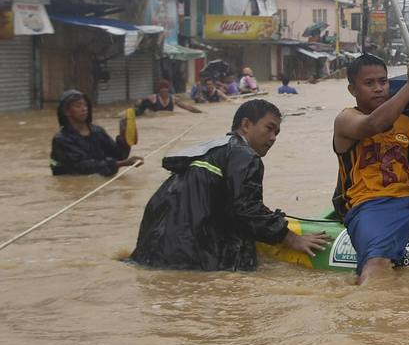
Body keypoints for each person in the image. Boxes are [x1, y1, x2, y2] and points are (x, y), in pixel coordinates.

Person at [130, 99, 328, 270]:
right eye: (269, 128)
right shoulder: (245, 155)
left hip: (153, 253)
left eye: (277, 132)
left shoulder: (212, 150)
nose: (273, 138)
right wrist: (293, 239)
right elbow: (247, 210)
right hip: (188, 258)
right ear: (246, 124)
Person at [332, 55, 409, 285]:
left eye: (383, 82)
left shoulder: (406, 123)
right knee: (376, 264)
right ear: (352, 89)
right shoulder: (346, 119)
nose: (378, 88)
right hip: (372, 204)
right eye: (369, 84)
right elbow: (374, 124)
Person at [50, 89, 142, 176]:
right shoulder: (61, 140)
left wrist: (124, 137)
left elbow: (119, 156)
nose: (84, 109)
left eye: (85, 105)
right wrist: (120, 164)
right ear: (66, 112)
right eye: (78, 106)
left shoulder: (97, 131)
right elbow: (81, 167)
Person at [135, 79, 201, 115]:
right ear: (159, 91)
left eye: (166, 90)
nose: (165, 92)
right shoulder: (153, 98)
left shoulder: (173, 99)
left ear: (168, 90)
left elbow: (187, 107)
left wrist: (200, 112)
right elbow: (139, 104)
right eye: (162, 90)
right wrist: (139, 101)